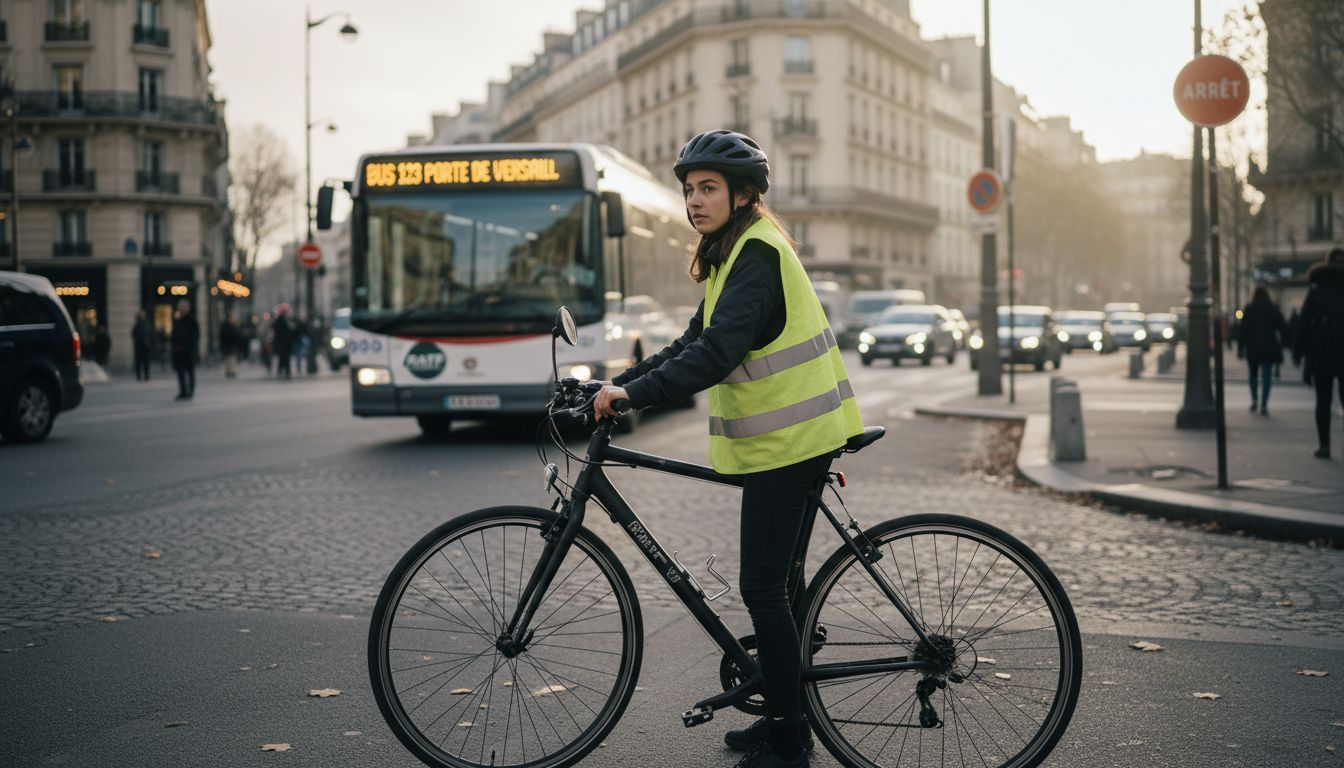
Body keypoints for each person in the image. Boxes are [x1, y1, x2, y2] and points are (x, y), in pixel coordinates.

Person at [593, 130, 863, 768]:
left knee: (763, 588)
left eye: (707, 188)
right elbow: (691, 340)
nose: (694, 200)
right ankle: (781, 715)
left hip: (794, 442)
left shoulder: (758, 254)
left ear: (744, 195)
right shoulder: (733, 255)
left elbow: (716, 356)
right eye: (689, 190)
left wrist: (632, 400)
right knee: (782, 586)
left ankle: (790, 737)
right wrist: (616, 384)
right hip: (792, 439)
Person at [1292, 247, 1344, 458]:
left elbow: (1304, 322)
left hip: (1321, 350)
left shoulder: (1317, 287)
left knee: (1323, 400)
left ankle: (1325, 445)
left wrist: (1297, 352)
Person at [1236, 286, 1286, 415]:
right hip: (1269, 346)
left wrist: (1240, 348)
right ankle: (1264, 403)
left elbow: (1243, 330)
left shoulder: (1249, 309)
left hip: (1253, 347)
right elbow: (1282, 326)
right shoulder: (1272, 309)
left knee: (1253, 375)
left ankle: (1254, 400)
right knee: (1267, 375)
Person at [170, 300, 199, 399]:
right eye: (181, 307)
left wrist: (189, 347)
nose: (182, 309)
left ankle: (190, 391)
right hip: (178, 351)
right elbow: (174, 334)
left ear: (188, 308)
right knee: (180, 372)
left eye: (184, 307)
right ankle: (183, 391)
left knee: (190, 372)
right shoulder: (177, 320)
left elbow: (195, 336)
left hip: (188, 350)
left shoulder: (192, 320)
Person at [272, 306, 294, 379]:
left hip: (282, 342)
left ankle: (282, 370)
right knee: (285, 357)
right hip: (284, 342)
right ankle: (286, 370)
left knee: (282, 357)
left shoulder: (279, 320)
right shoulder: (282, 320)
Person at [132, 310, 153, 381]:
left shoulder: (147, 324)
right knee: (138, 362)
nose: (142, 316)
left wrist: (149, 342)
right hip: (138, 346)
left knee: (146, 362)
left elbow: (151, 335)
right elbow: (133, 335)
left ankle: (146, 376)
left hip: (146, 347)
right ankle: (139, 376)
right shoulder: (137, 325)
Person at [219, 310, 241, 378]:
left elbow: (237, 334)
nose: (233, 318)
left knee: (232, 358)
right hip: (227, 344)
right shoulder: (225, 325)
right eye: (232, 317)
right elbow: (222, 335)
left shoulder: (233, 325)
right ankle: (228, 371)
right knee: (227, 358)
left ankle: (231, 371)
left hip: (232, 344)